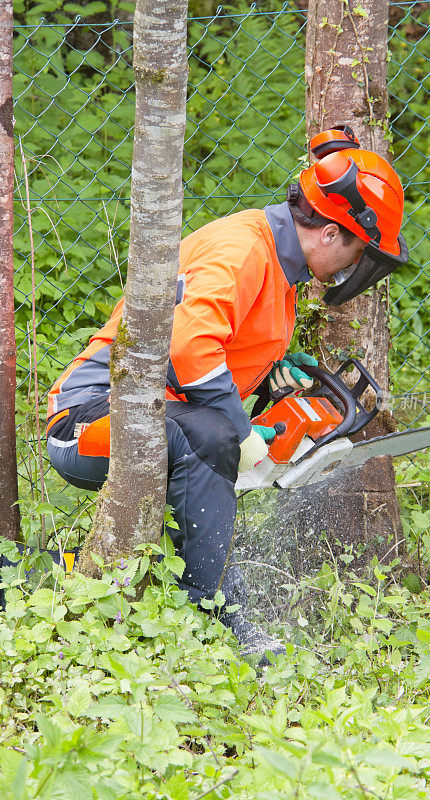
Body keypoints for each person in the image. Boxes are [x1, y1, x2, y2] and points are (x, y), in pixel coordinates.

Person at [45, 126, 408, 665]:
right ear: (331, 233)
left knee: (201, 460)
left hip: (155, 418)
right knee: (212, 436)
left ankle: (52, 572)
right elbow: (189, 349)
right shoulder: (243, 250)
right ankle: (215, 616)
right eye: (358, 249)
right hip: (86, 421)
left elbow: (212, 356)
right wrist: (241, 436)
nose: (355, 266)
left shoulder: (280, 270)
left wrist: (267, 374)